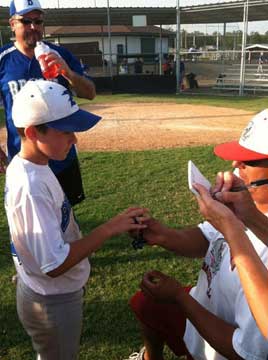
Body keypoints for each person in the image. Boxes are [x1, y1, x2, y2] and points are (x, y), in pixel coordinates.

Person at [5, 79, 147, 360]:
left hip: (42, 291)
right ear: (33, 132)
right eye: (66, 131)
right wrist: (110, 228)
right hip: (52, 300)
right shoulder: (31, 186)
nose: (74, 139)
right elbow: (54, 264)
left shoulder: (34, 164)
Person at [124, 110, 268, 360]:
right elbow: (207, 237)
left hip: (220, 346)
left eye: (250, 161)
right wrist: (163, 235)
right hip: (202, 310)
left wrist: (180, 297)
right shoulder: (247, 203)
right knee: (146, 304)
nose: (236, 165)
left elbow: (246, 353)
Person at [0, 0, 96, 206]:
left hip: (62, 156)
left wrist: (69, 73)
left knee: (67, 214)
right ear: (12, 24)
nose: (33, 27)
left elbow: (90, 93)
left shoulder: (59, 54)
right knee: (32, 216)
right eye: (26, 21)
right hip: (25, 157)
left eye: (38, 21)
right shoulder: (3, 59)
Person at [193, 108, 268, 340]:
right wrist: (249, 218)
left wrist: (232, 227)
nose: (236, 162)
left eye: (249, 158)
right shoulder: (251, 206)